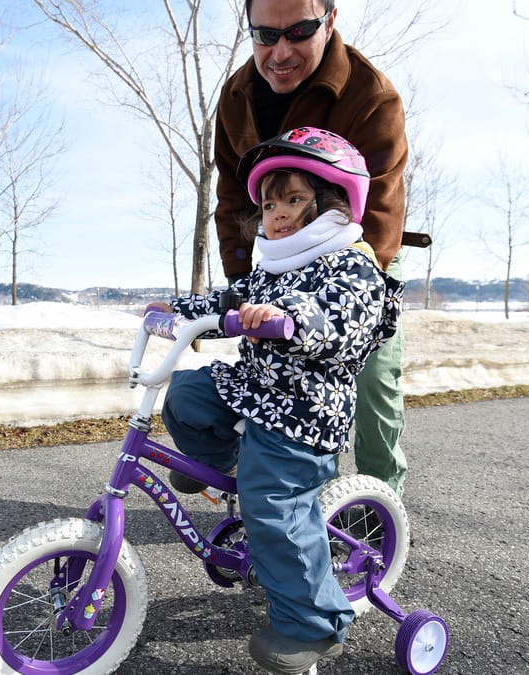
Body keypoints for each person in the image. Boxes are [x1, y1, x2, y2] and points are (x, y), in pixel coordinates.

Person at [150, 127, 404, 674]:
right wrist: (178, 309)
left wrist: (294, 318)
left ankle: (315, 625)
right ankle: (221, 464)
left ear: (334, 203)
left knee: (275, 504)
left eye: (294, 200)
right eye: (270, 204)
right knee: (188, 393)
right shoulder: (272, 267)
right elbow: (230, 298)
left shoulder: (352, 267)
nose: (279, 215)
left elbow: (342, 320)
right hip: (256, 391)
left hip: (303, 414)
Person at [215, 0, 410, 496]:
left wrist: (356, 302)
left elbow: (380, 209)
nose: (280, 52)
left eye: (299, 32)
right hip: (278, 254)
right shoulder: (237, 96)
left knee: (371, 383)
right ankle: (254, 468)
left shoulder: (370, 94)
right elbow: (234, 197)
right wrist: (245, 290)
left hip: (358, 253)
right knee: (265, 369)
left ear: (330, 21)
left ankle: (375, 505)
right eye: (264, 35)